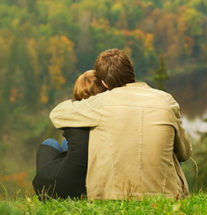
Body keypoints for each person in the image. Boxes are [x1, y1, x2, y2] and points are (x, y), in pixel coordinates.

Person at [50, 49, 192, 200]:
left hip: (112, 195)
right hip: (167, 196)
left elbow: (57, 114)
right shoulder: (167, 101)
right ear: (132, 73)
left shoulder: (100, 103)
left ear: (104, 83)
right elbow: (184, 153)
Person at [32, 70, 106, 200]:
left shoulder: (75, 116)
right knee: (65, 144)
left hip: (65, 184)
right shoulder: (106, 115)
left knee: (51, 143)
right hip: (89, 175)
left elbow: (56, 114)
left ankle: (45, 192)